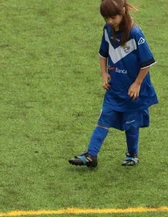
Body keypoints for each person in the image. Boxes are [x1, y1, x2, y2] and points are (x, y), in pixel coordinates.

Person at [68, 0, 158, 168]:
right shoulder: (107, 30)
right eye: (106, 18)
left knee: (131, 124)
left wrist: (137, 84)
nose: (110, 21)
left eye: (113, 17)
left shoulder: (135, 33)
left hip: (132, 91)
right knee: (104, 119)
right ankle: (91, 155)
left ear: (123, 11)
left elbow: (147, 63)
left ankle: (132, 154)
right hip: (114, 88)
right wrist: (104, 74)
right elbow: (103, 54)